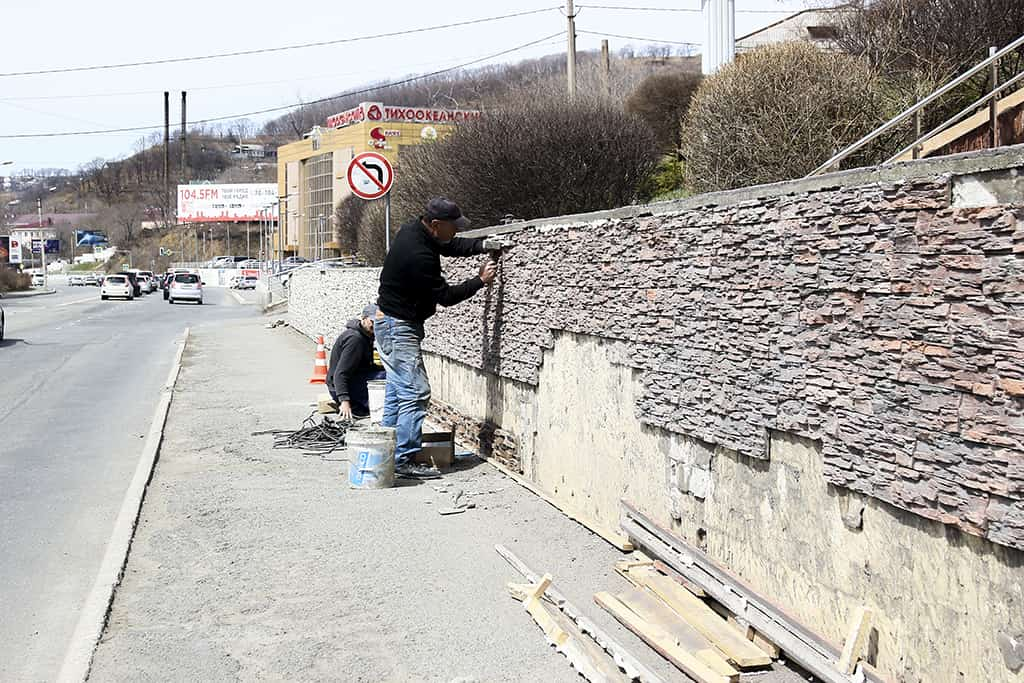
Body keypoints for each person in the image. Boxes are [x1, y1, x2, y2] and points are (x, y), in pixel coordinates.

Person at [375, 197, 499, 479]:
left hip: (391, 323)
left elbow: (449, 245)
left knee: (398, 393)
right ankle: (403, 460)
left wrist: (482, 245)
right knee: (416, 392)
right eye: (453, 226)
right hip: (398, 327)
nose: (455, 231)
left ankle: (389, 453)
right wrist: (479, 281)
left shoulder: (413, 230)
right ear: (435, 224)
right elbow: (445, 297)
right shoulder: (419, 255)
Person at [327, 304, 386, 420]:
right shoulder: (355, 340)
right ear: (363, 318)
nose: (376, 326)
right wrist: (344, 401)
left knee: (389, 374)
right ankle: (372, 407)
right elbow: (340, 373)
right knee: (386, 380)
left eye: (379, 323)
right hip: (342, 387)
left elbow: (365, 366)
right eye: (372, 322)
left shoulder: (366, 335)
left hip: (354, 379)